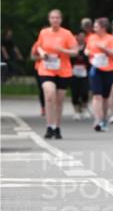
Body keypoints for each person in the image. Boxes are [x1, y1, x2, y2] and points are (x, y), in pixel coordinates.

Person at [31, 9, 78, 138]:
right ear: (49, 19)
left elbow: (75, 52)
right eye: (52, 18)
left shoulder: (67, 34)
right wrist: (42, 54)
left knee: (59, 100)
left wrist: (62, 50)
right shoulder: (44, 33)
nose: (55, 20)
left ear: (61, 20)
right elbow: (38, 47)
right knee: (49, 95)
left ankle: (57, 127)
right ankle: (49, 127)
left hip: (63, 70)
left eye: (57, 18)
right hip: (46, 69)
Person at [85, 17, 113, 131]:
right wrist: (87, 52)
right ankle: (97, 120)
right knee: (97, 95)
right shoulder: (91, 37)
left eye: (96, 26)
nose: (94, 28)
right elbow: (87, 50)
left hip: (108, 69)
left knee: (105, 97)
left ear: (103, 28)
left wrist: (104, 49)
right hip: (95, 69)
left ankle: (103, 119)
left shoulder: (111, 39)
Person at [70, 18, 92, 119]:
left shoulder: (88, 47)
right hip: (73, 72)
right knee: (75, 92)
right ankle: (76, 110)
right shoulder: (72, 47)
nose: (82, 38)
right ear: (76, 37)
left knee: (84, 91)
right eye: (80, 36)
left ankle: (84, 107)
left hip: (85, 72)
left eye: (83, 36)